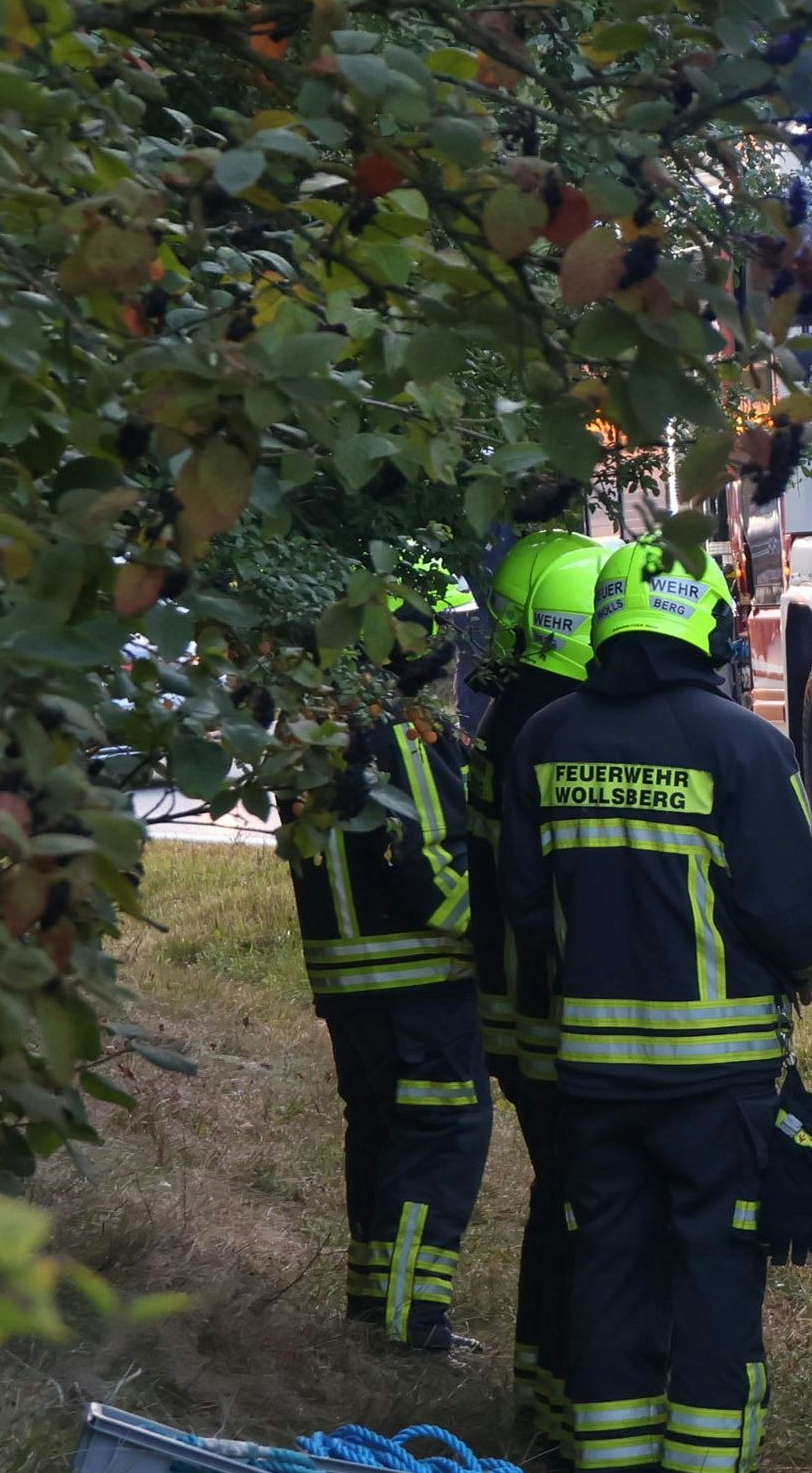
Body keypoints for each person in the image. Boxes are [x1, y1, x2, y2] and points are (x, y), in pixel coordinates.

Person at [502, 541, 812, 1473]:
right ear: (705, 622)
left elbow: (527, 908)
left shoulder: (545, 739)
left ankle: (610, 1457)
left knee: (606, 1270)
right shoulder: (743, 743)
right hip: (717, 1087)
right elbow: (797, 912)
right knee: (715, 1277)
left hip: (594, 1081)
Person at [283, 572, 493, 1351]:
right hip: (420, 982)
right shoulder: (396, 726)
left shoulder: (315, 719)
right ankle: (410, 1328)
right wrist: (503, 940)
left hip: (351, 983)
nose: (445, 654)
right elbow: (429, 863)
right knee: (440, 1142)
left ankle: (375, 1309)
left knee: (382, 1139)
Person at [471, 528, 600, 1449]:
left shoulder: (513, 717)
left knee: (560, 1201)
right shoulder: (556, 732)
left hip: (514, 1009)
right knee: (587, 1211)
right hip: (561, 1017)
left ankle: (546, 1396)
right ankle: (572, 1405)